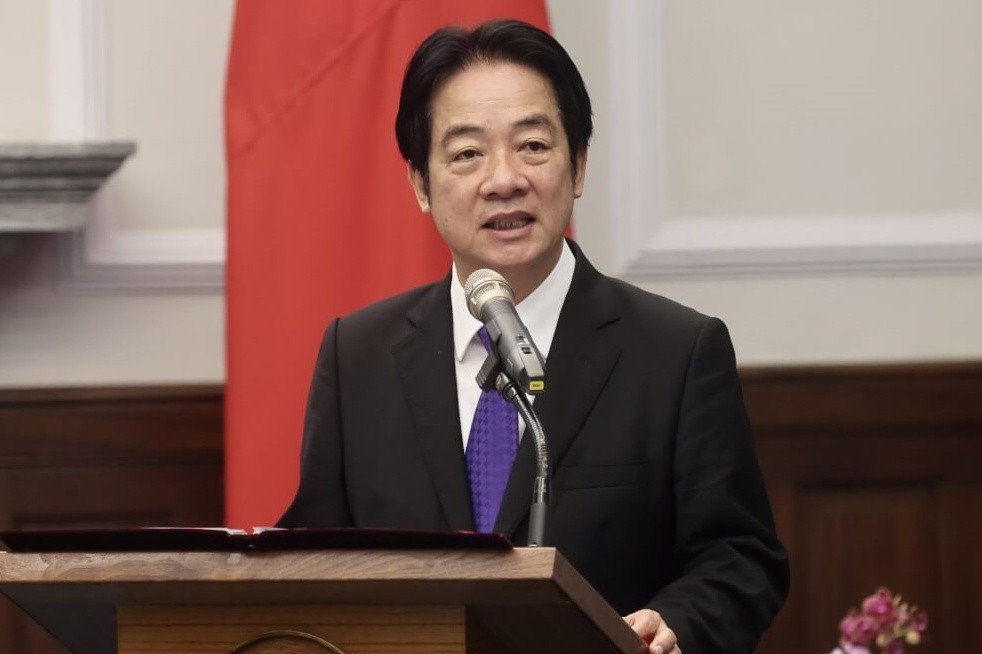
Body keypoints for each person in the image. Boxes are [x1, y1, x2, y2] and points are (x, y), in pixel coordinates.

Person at [279, 19, 790, 654]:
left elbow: (741, 559)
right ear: (420, 185)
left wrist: (676, 622)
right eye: (467, 154)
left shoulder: (676, 353)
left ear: (579, 166)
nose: (504, 180)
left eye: (533, 146)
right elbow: (309, 560)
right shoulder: (357, 355)